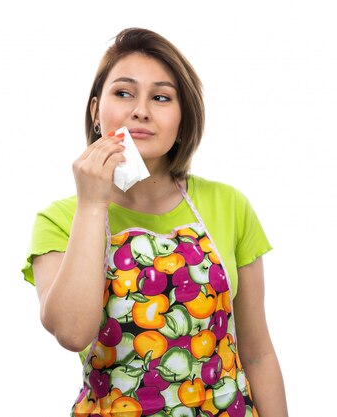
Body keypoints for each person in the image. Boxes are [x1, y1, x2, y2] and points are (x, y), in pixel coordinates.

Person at [21, 28, 288, 417]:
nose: (140, 110)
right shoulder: (60, 220)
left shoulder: (228, 204)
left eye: (161, 97)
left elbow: (258, 353)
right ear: (96, 111)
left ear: (183, 119)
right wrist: (93, 205)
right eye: (124, 93)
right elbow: (72, 332)